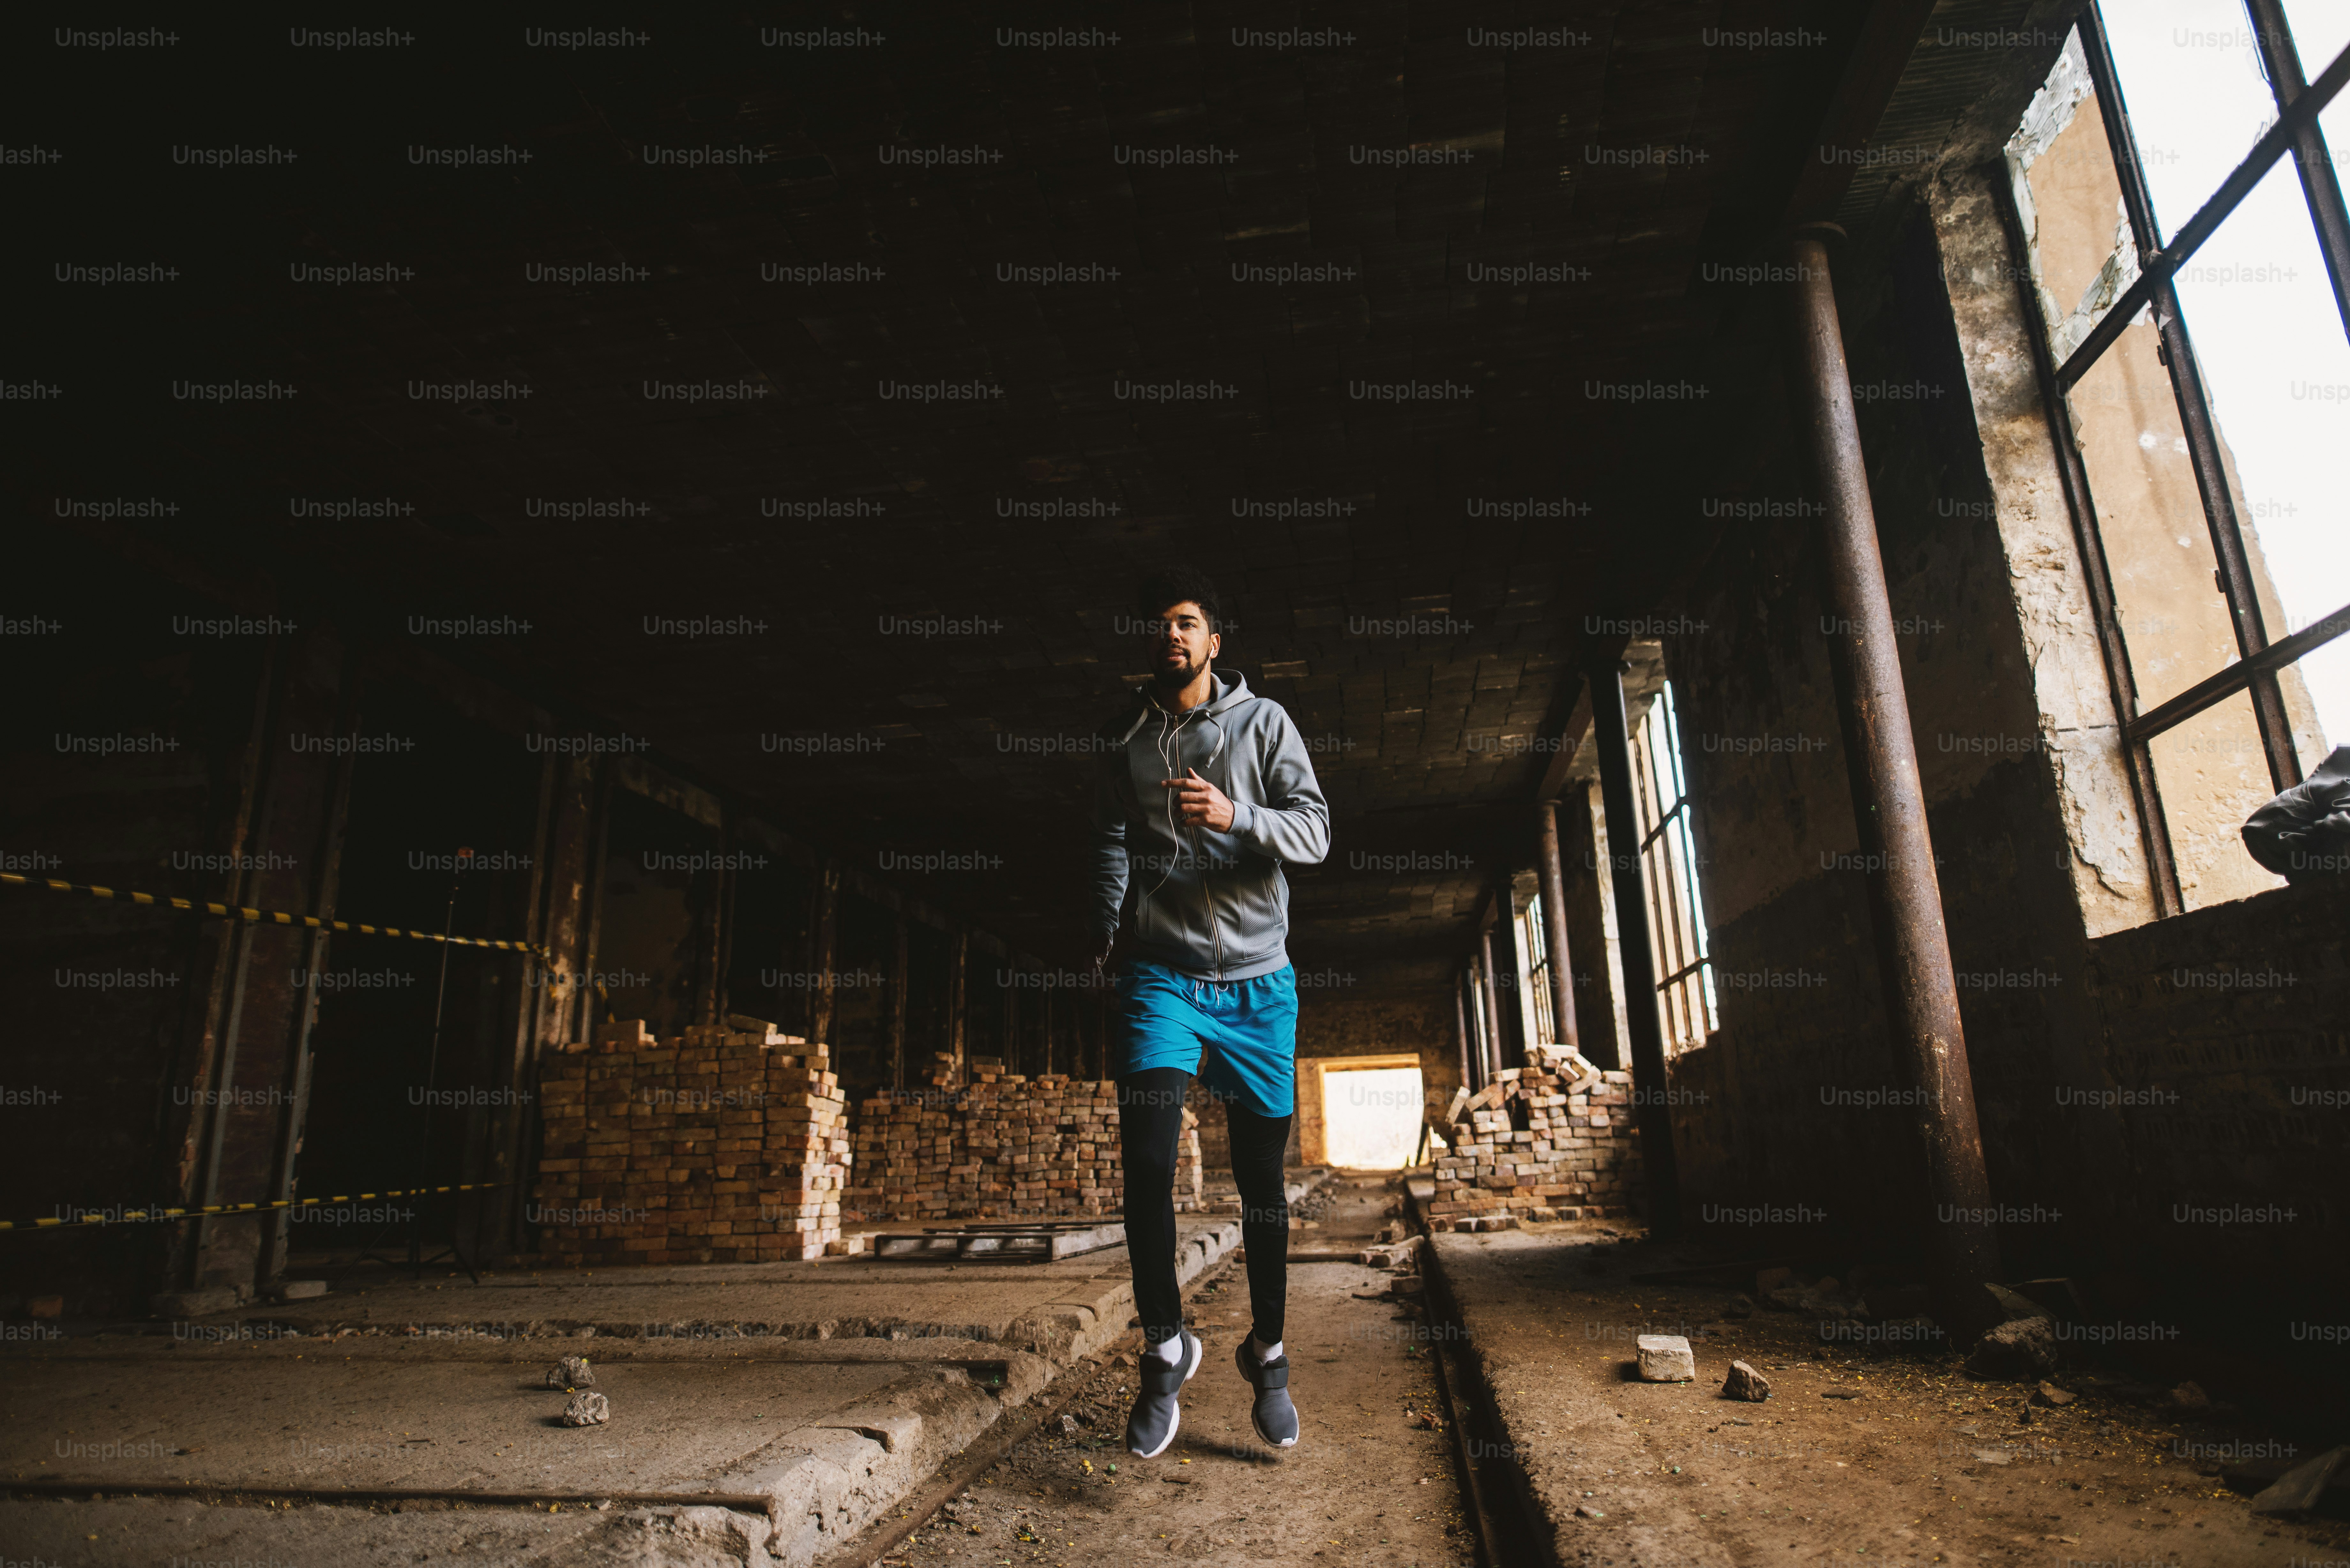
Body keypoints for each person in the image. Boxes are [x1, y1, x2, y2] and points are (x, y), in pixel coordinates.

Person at [1088, 566, 1330, 1459]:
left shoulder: (1264, 725)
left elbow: (1315, 831)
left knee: (1263, 1188)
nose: (1172, 635)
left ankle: (1267, 1354)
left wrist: (1238, 815)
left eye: (1187, 622)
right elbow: (1113, 833)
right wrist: (1104, 920)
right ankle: (1164, 1348)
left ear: (1215, 642)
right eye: (1160, 624)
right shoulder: (1126, 739)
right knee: (1148, 1157)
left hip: (1260, 984)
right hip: (1164, 977)